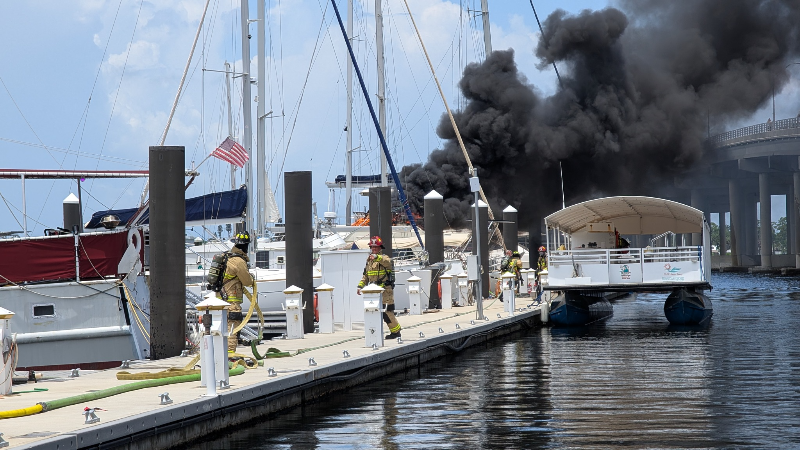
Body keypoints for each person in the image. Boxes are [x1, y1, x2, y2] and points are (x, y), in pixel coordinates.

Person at [357, 236, 401, 339]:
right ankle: (376, 332)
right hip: (374, 292)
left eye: (376, 247)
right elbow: (366, 276)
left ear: (380, 247)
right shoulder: (369, 261)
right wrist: (360, 286)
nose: (374, 249)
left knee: (387, 312)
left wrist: (376, 257)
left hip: (386, 291)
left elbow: (387, 262)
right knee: (375, 312)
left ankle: (396, 332)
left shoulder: (384, 258)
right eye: (372, 247)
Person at [221, 230, 254, 353]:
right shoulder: (239, 261)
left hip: (220, 300)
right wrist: (252, 278)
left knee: (222, 329)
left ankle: (221, 354)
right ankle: (229, 356)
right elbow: (247, 281)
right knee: (232, 329)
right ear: (245, 245)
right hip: (231, 303)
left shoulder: (226, 257)